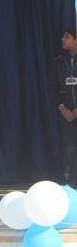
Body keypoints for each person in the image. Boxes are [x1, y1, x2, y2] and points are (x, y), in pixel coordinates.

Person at [51, 26, 77, 186]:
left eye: (67, 37)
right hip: (66, 114)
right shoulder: (59, 62)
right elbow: (53, 88)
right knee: (69, 147)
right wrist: (62, 108)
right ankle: (68, 182)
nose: (63, 39)